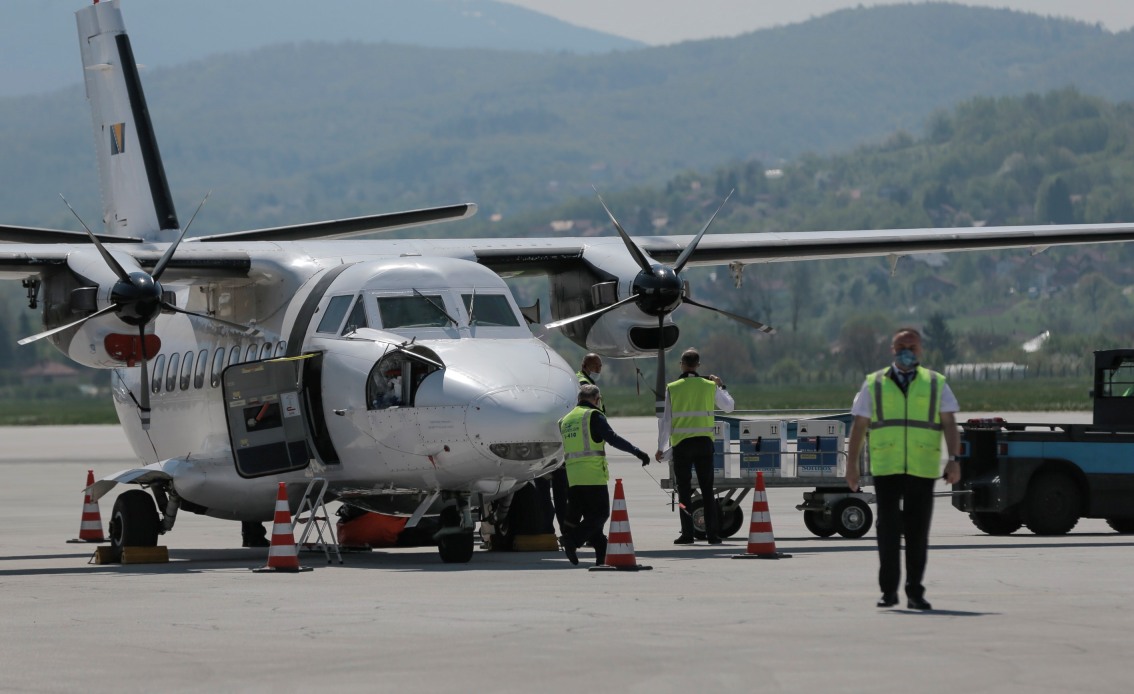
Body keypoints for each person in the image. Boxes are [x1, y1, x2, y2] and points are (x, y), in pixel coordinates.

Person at [846, 327, 961, 611]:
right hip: (887, 468)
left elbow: (949, 423)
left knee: (917, 533)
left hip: (922, 469)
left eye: (912, 345)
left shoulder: (936, 383)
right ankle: (888, 591)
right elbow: (859, 427)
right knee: (887, 531)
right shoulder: (873, 384)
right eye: (901, 346)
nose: (907, 350)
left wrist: (955, 459)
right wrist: (852, 466)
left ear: (921, 349)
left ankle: (915, 592)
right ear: (891, 350)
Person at [559, 383, 651, 565]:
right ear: (597, 400)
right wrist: (637, 451)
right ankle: (572, 540)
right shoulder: (593, 415)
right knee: (600, 514)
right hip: (592, 475)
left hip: (573, 476)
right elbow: (612, 438)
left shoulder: (566, 419)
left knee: (593, 523)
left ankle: (602, 557)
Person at [655, 348, 735, 545]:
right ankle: (713, 535)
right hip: (704, 444)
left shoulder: (672, 388)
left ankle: (687, 534)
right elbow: (729, 407)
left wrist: (660, 446)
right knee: (708, 491)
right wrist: (720, 385)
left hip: (682, 446)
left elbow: (666, 421)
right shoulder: (709, 386)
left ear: (681, 364)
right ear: (698, 365)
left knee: (684, 491)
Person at [551, 353, 607, 535]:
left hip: (580, 448)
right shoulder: (584, 385)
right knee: (584, 499)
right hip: (583, 450)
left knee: (576, 498)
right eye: (596, 366)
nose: (599, 370)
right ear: (586, 365)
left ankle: (577, 533)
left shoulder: (580, 380)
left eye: (600, 366)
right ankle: (580, 534)